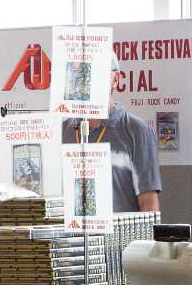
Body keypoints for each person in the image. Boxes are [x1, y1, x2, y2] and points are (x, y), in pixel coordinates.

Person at [61, 54, 162, 213]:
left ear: (115, 79)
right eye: (83, 72)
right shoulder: (64, 130)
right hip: (72, 236)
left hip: (120, 236)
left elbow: (149, 205)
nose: (89, 80)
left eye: (98, 72)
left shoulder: (136, 130)